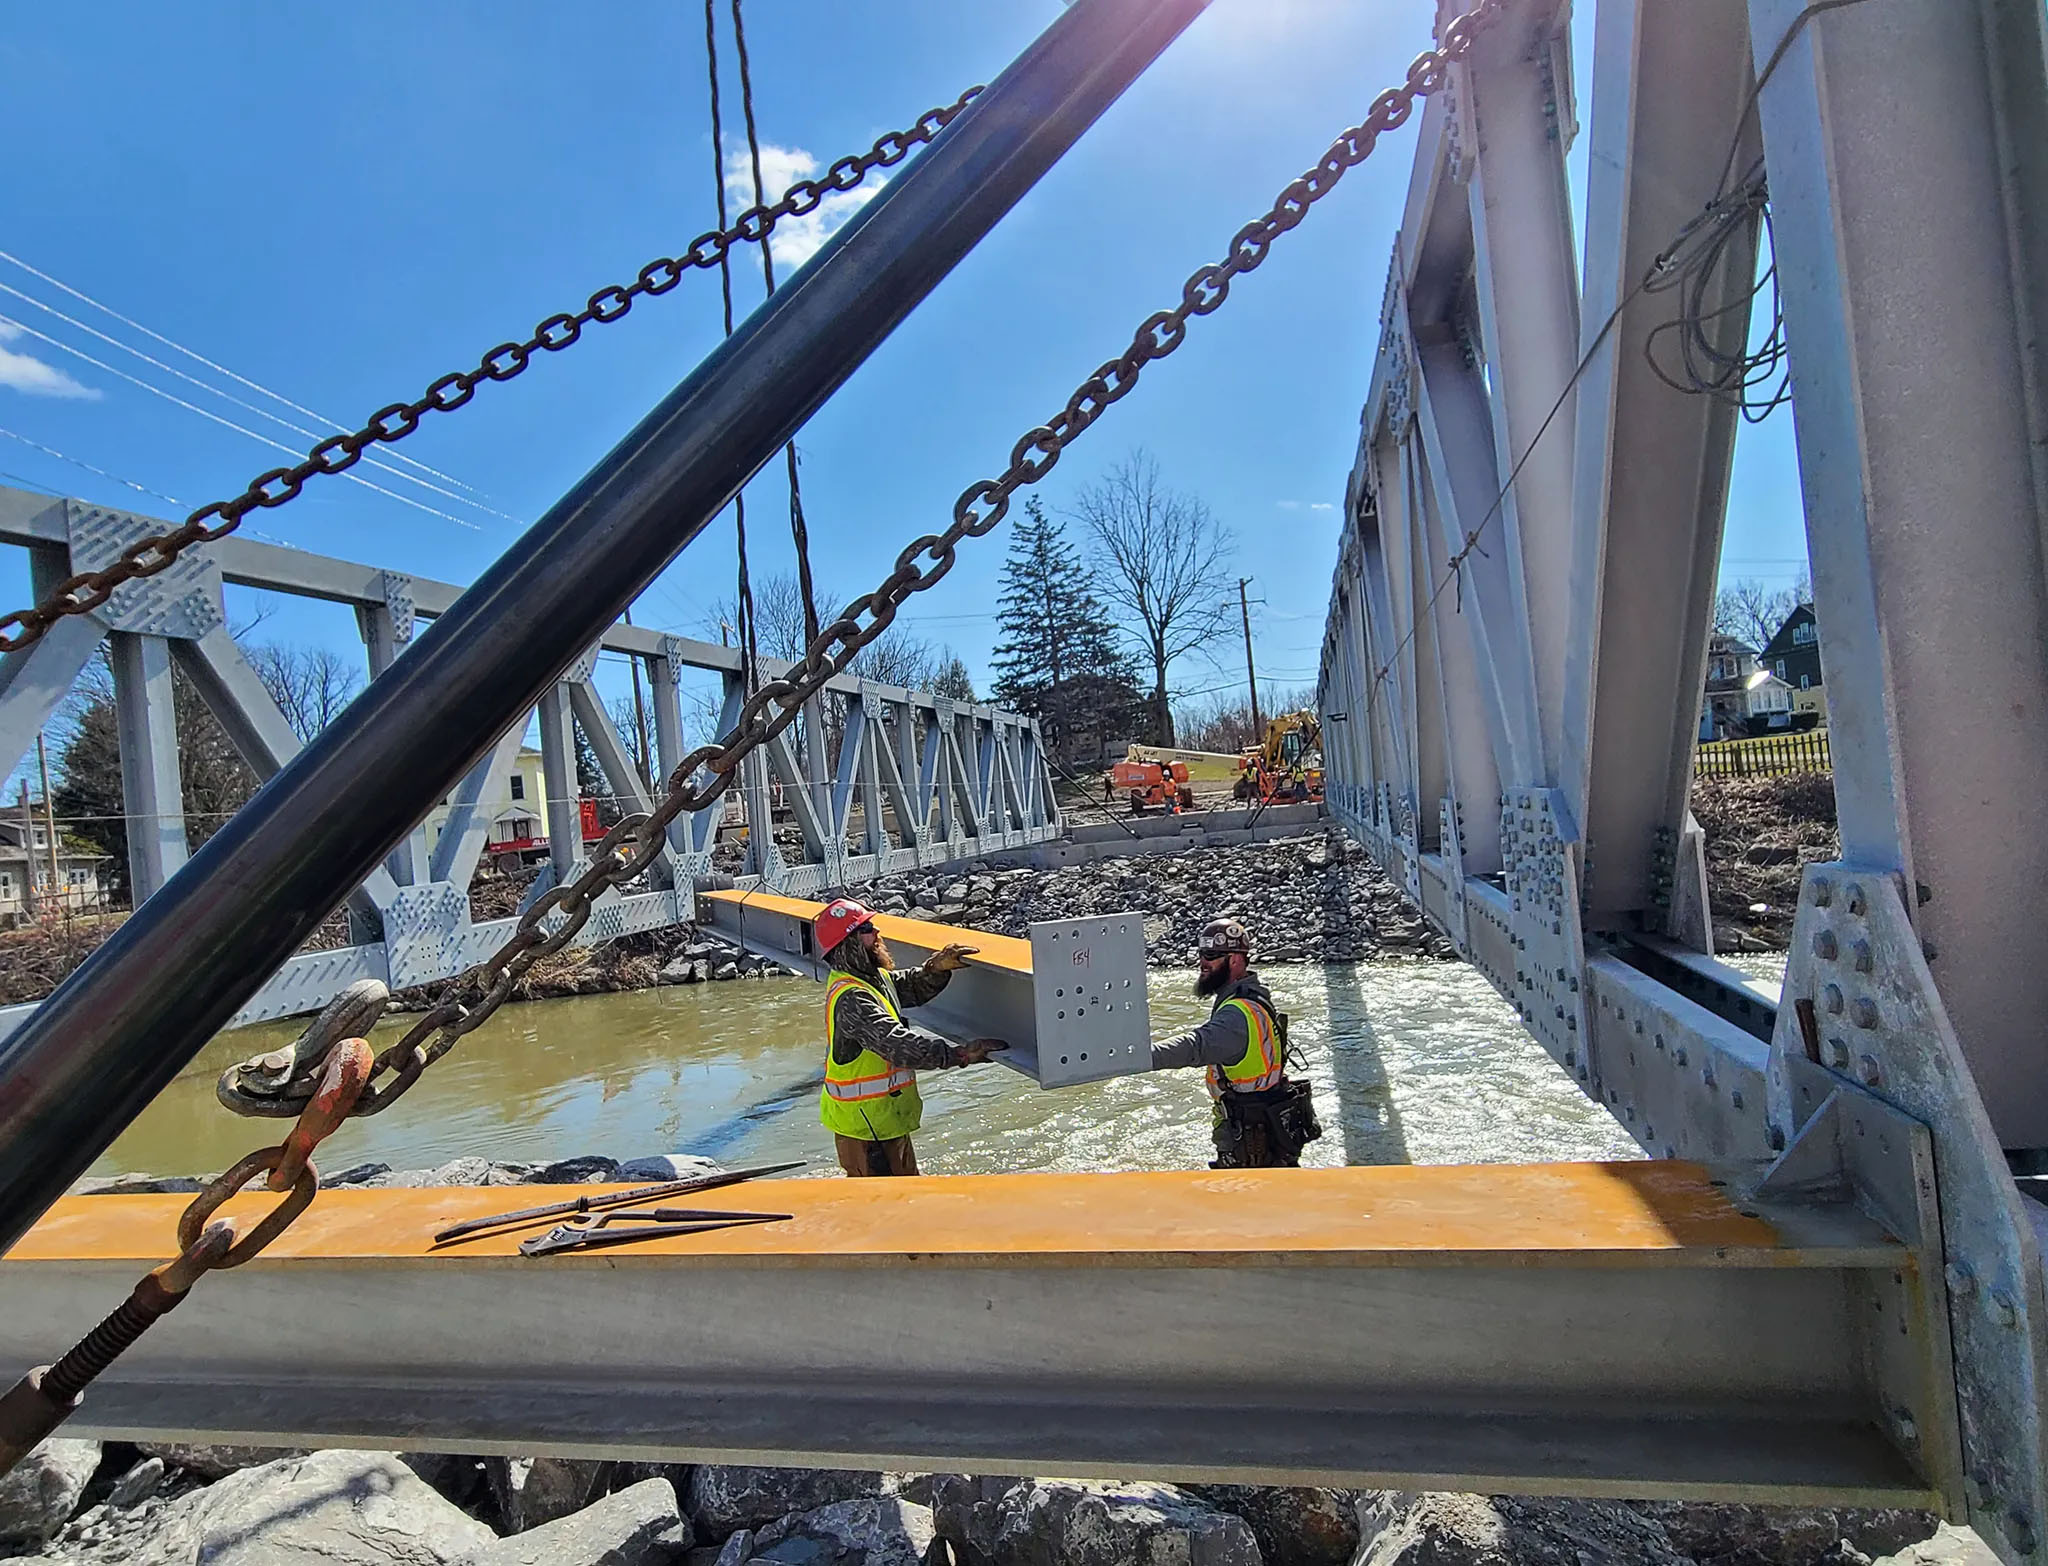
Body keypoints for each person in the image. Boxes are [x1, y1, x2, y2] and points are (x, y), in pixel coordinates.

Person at [814, 897, 1008, 1177]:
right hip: (866, 1131)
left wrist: (936, 968)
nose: (877, 933)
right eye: (866, 929)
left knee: (904, 1198)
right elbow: (899, 1046)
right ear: (849, 945)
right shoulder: (852, 998)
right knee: (884, 1209)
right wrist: (961, 1055)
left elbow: (907, 988)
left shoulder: (872, 979)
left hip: (882, 1122)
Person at [1149, 917, 1323, 1168]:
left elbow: (1195, 1047)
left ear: (1235, 959)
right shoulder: (1252, 997)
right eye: (1201, 953)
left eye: (1211, 955)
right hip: (1266, 1131)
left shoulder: (1237, 1014)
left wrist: (1136, 1057)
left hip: (1252, 1141)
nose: (1203, 962)